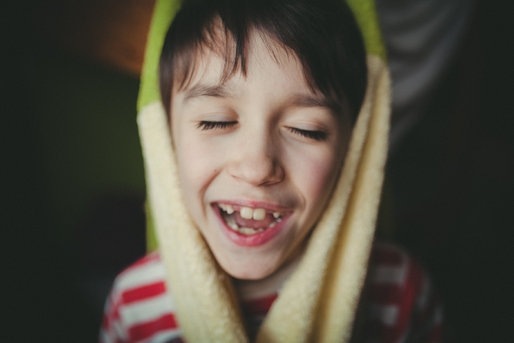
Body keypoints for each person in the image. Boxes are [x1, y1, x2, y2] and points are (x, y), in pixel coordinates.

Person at [100, 0, 444, 342]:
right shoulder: (132, 309)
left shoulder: (400, 295)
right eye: (215, 122)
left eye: (306, 129)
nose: (257, 168)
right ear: (166, 141)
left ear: (353, 151)